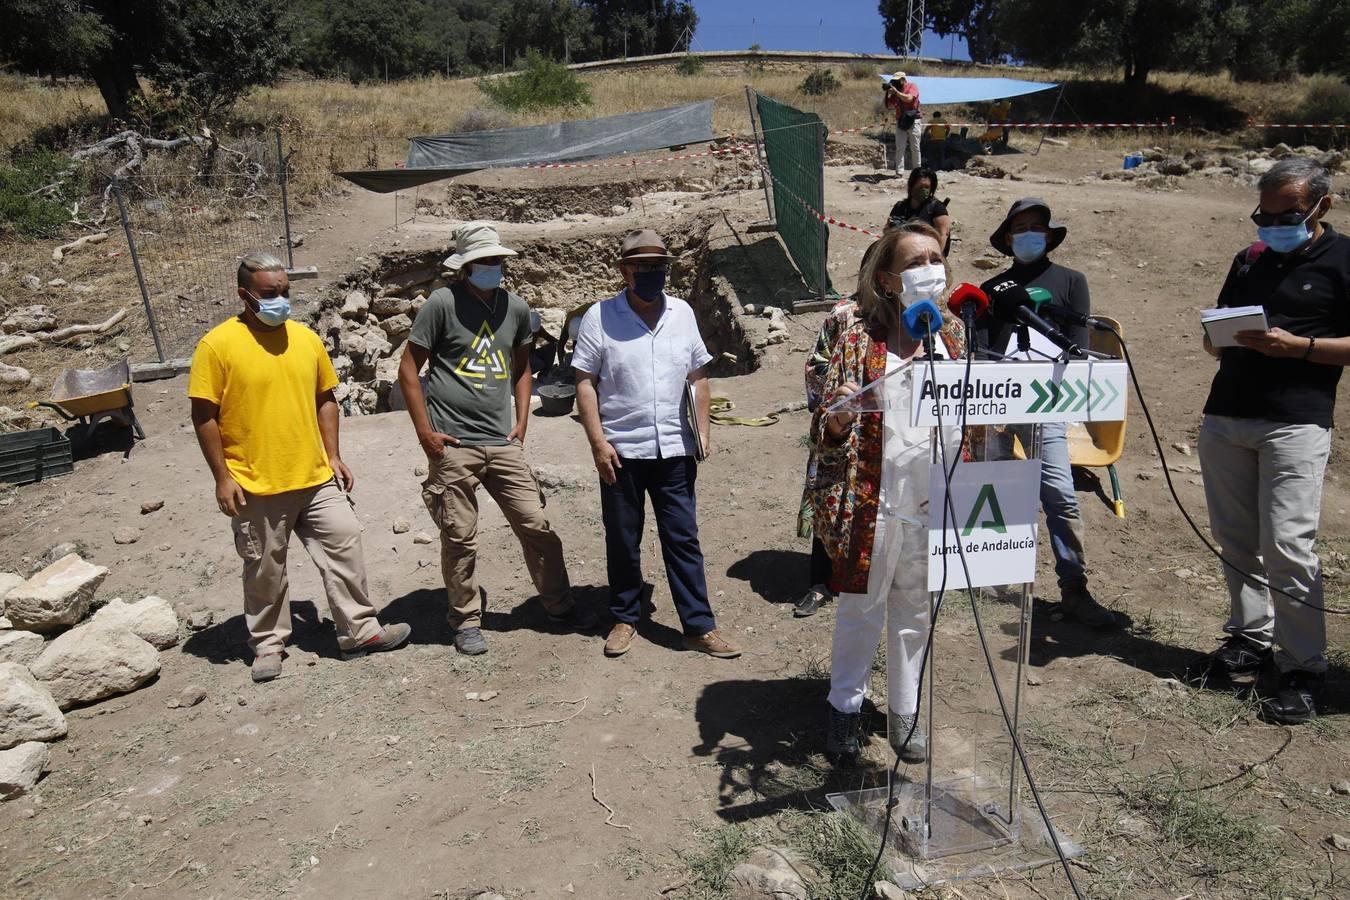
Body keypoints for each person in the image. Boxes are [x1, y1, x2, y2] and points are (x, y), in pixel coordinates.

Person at [189, 252, 411, 683]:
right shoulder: (216, 345)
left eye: (285, 292)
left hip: (314, 476)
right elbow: (205, 415)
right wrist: (222, 477)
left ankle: (360, 632)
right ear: (244, 295)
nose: (281, 301)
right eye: (271, 294)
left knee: (345, 542)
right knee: (265, 567)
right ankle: (269, 644)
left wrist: (333, 455)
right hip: (255, 482)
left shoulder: (305, 339)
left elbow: (326, 398)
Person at [1197, 158, 1350, 724]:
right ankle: (1250, 636)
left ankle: (1302, 666)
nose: (1270, 223)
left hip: (1297, 421)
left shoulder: (1343, 259)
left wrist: (1300, 347)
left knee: (1288, 545)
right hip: (1227, 414)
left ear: (1320, 207)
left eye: (1284, 214)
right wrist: (1219, 338)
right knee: (1235, 539)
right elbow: (1221, 324)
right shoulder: (1250, 257)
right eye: (1263, 213)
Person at [398, 222, 593, 656]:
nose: (493, 267)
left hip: (502, 441)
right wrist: (426, 433)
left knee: (535, 525)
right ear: (465, 267)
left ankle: (558, 605)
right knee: (459, 535)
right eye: (484, 261)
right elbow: (409, 369)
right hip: (453, 443)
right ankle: (465, 619)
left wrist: (523, 420)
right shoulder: (441, 305)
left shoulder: (516, 308)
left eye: (497, 261)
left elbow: (523, 367)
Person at [811, 222, 963, 766]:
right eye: (916, 260)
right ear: (888, 278)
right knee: (861, 607)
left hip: (934, 494)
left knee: (917, 609)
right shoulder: (855, 336)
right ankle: (845, 708)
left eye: (937, 257)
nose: (931, 268)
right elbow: (824, 419)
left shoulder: (953, 335)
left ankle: (906, 711)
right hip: (871, 494)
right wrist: (839, 414)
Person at [572, 228, 742, 660]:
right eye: (642, 265)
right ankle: (626, 617)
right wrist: (597, 442)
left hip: (674, 448)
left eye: (657, 266)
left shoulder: (682, 313)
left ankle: (698, 626)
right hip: (621, 451)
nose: (650, 273)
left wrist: (702, 431)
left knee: (683, 537)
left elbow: (698, 375)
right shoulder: (599, 317)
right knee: (623, 539)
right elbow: (585, 383)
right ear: (624, 270)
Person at [978, 198, 1118, 628]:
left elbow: (1077, 342)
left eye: (1037, 226)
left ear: (1050, 234)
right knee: (996, 489)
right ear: (1006, 238)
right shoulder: (990, 289)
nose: (1028, 234)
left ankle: (1074, 587)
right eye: (1020, 228)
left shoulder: (1072, 281)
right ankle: (989, 577)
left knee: (1059, 493)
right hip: (999, 402)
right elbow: (981, 349)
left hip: (1047, 403)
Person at [794, 299, 858, 617]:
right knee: (827, 499)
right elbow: (815, 365)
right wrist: (837, 405)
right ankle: (821, 583)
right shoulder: (845, 315)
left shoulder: (921, 319)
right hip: (840, 427)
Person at [887, 166, 951, 255]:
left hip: (927, 254)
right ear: (912, 186)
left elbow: (943, 234)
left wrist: (934, 258)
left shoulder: (937, 208)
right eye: (920, 186)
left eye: (927, 187)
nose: (923, 190)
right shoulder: (900, 207)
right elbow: (887, 231)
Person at [884, 71, 922, 177]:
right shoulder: (896, 91)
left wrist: (896, 92)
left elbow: (909, 98)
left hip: (913, 120)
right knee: (900, 146)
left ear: (903, 80)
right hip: (901, 120)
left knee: (915, 147)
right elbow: (888, 105)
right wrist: (888, 93)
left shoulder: (912, 86)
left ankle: (917, 171)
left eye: (897, 81)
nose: (895, 83)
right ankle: (899, 171)